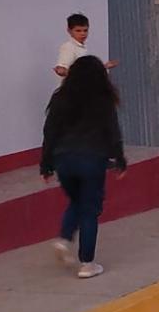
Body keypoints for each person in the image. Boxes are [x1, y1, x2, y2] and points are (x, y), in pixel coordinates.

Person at [41, 56, 126, 279]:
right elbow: (112, 131)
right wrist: (119, 158)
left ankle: (64, 239)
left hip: (63, 160)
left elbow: (49, 132)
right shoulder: (103, 98)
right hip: (91, 158)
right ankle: (87, 263)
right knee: (89, 209)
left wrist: (46, 164)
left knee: (77, 201)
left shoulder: (61, 97)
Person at [54, 12, 117, 80]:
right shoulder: (69, 47)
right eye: (78, 31)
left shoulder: (81, 47)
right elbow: (63, 70)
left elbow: (85, 70)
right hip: (73, 88)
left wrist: (104, 67)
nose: (82, 34)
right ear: (69, 31)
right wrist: (61, 70)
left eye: (85, 30)